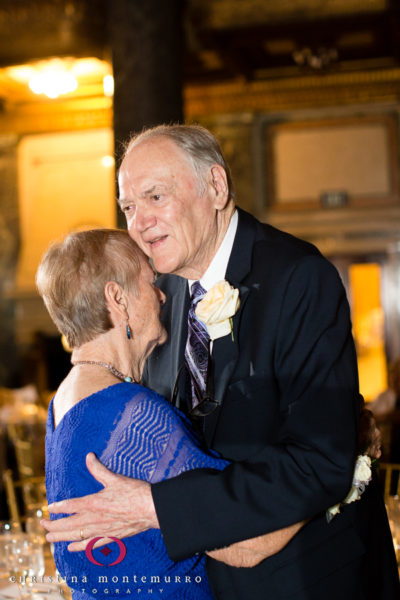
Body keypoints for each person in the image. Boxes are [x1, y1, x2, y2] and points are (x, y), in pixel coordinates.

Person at [42, 126, 399, 599]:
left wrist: (158, 508)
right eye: (129, 207)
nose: (140, 223)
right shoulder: (156, 294)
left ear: (216, 187)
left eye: (154, 197)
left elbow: (317, 461)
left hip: (303, 580)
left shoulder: (298, 276)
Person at [37, 228, 305, 600]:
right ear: (117, 298)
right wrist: (333, 461)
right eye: (150, 282)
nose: (162, 294)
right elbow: (249, 540)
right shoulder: (134, 416)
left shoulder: (63, 400)